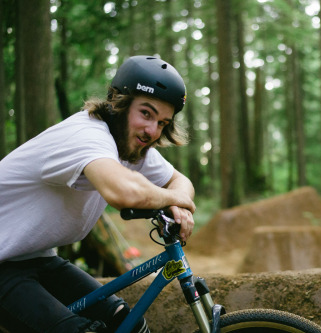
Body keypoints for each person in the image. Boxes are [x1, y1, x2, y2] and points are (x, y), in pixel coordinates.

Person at [0, 55, 196, 333]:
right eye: (146, 113)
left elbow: (179, 180)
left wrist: (180, 203)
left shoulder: (130, 145)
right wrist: (176, 199)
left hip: (36, 257)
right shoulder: (87, 136)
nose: (152, 131)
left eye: (163, 123)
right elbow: (123, 192)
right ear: (119, 103)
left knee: (127, 323)